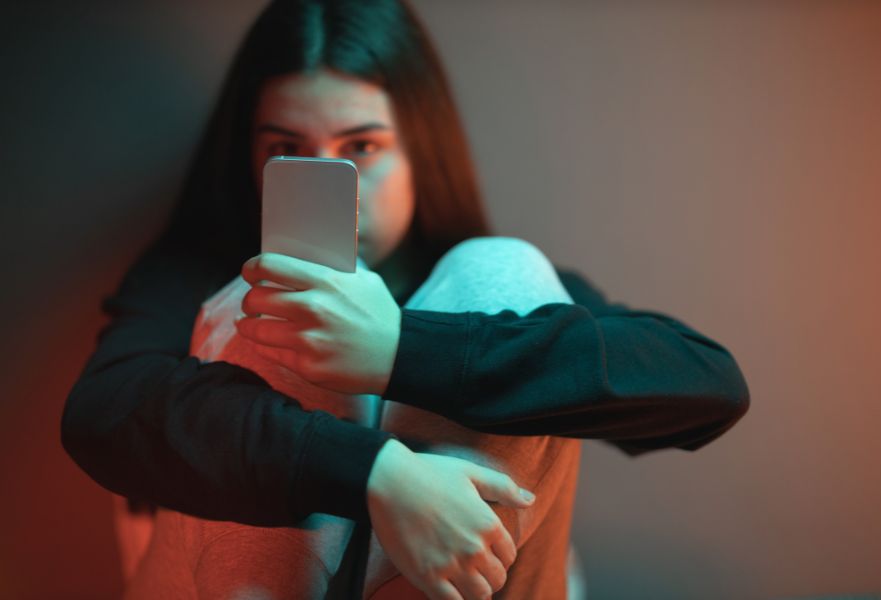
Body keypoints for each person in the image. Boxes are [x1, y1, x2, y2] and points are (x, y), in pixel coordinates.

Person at [60, 0, 751, 598]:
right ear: (250, 159)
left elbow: (708, 384)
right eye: (289, 150)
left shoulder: (490, 288)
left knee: (499, 273)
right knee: (260, 297)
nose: (338, 180)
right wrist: (374, 473)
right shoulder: (197, 272)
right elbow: (103, 412)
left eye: (361, 146)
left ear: (420, 149)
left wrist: (399, 349)